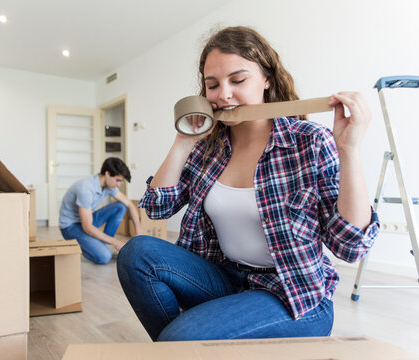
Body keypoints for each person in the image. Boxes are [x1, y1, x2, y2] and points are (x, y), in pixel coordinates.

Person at [117, 26, 379, 342]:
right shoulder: (207, 149)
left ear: (267, 79)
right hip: (226, 278)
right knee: (137, 252)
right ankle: (190, 344)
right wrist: (183, 142)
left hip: (293, 294)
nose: (224, 94)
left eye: (238, 80)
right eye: (212, 85)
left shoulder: (309, 142)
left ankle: (184, 342)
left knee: (179, 338)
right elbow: (157, 208)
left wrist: (349, 150)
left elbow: (351, 247)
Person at [59, 157, 142, 264]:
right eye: (117, 180)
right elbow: (87, 227)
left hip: (85, 220)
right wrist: (116, 242)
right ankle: (87, 247)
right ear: (107, 174)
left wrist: (139, 233)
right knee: (105, 257)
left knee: (121, 206)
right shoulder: (86, 189)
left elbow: (130, 204)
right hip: (70, 227)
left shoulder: (108, 186)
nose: (119, 185)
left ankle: (102, 244)